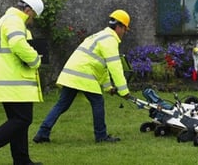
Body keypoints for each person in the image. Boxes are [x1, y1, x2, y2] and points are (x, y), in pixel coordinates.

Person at [33, 9, 131, 143]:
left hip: (71, 74)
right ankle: (101, 136)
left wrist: (109, 88)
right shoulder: (110, 40)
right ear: (119, 26)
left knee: (62, 105)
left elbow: (102, 67)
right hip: (84, 74)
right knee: (97, 102)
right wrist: (124, 91)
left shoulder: (98, 36)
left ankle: (42, 134)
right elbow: (115, 67)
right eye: (125, 29)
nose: (124, 33)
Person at [0, 0, 45, 165]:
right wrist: (36, 60)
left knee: (18, 123)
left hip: (8, 82)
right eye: (33, 16)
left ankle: (21, 160)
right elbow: (17, 44)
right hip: (17, 82)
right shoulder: (14, 21)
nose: (32, 21)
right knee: (23, 120)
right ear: (28, 10)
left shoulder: (4, 20)